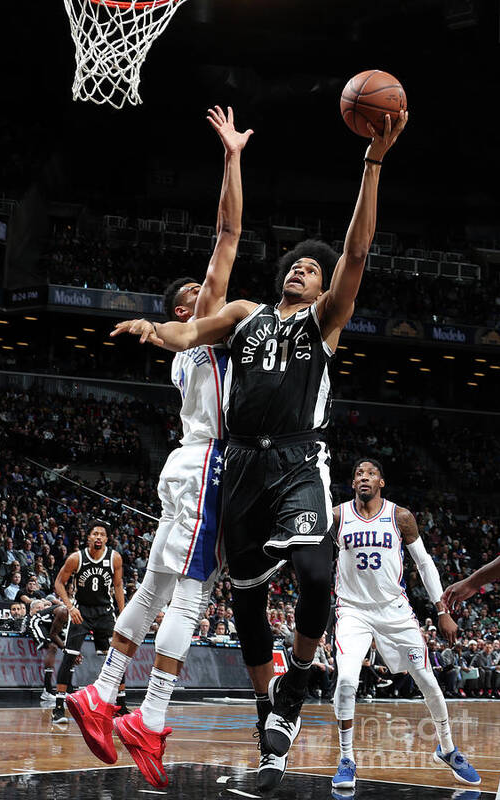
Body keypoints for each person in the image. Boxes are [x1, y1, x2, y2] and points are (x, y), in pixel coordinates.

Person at [122, 111, 407, 792]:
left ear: (320, 287)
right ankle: (269, 742)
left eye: (314, 269)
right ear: (282, 277)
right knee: (247, 608)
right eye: (298, 265)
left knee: (313, 575)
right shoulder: (245, 315)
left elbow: (357, 255)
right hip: (239, 466)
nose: (305, 271)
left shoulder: (323, 323)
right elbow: (189, 324)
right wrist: (154, 330)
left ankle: (295, 684)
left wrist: (372, 160)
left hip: (298, 462)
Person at [65, 105, 252, 787]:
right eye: (198, 292)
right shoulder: (203, 325)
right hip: (204, 463)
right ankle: (144, 714)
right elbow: (227, 231)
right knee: (191, 597)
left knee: (155, 586)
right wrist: (231, 157)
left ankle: (104, 694)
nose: (211, 291)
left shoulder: (190, 344)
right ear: (187, 308)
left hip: (194, 465)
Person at [330, 459, 480, 790]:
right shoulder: (337, 517)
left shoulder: (400, 517)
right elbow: (314, 556)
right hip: (352, 610)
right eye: (358, 473)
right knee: (346, 681)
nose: (363, 477)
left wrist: (442, 608)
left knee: (428, 681)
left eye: (370, 473)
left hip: (395, 611)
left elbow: (425, 564)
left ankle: (448, 749)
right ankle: (346, 759)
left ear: (381, 482)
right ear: (353, 483)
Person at [51, 519, 125, 724]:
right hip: (81, 612)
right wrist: (70, 607)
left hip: (105, 613)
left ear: (107, 539)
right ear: (88, 537)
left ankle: (121, 705)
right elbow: (59, 582)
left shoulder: (114, 558)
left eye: (102, 534)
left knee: (116, 658)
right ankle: (58, 707)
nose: (98, 537)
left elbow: (118, 586)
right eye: (95, 533)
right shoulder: (77, 558)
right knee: (69, 656)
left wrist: (123, 614)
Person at [26, 598, 69, 701]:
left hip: (49, 626)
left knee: (70, 650)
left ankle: (67, 689)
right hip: (38, 622)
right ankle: (47, 690)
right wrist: (64, 648)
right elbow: (53, 635)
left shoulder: (75, 616)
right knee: (52, 647)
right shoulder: (63, 611)